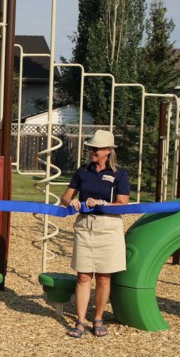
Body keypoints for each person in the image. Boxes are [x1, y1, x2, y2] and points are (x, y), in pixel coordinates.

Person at [59, 129, 130, 338]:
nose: (91, 151)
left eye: (96, 148)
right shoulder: (82, 171)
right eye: (90, 148)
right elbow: (65, 197)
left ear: (108, 151)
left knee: (103, 278)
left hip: (109, 227)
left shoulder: (120, 174)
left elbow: (123, 204)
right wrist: (71, 202)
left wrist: (102, 203)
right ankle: (80, 321)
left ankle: (98, 318)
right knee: (82, 276)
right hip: (85, 226)